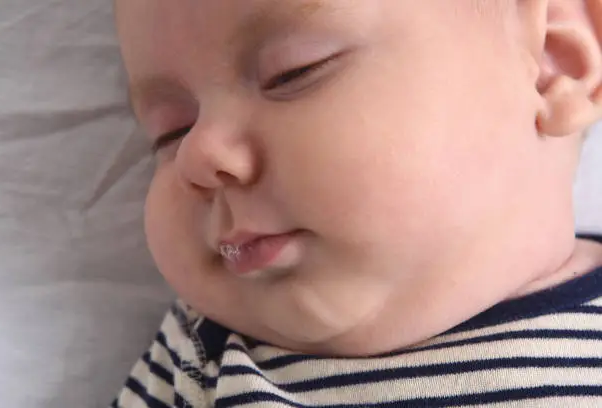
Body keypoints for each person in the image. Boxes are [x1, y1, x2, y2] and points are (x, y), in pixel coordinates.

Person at [111, 1, 602, 406]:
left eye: (292, 72)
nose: (198, 156)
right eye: (170, 132)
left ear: (551, 66)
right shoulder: (204, 352)